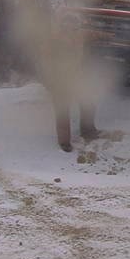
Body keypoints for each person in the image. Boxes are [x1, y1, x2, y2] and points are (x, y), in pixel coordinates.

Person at [40, 10, 105, 152]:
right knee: (63, 111)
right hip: (58, 79)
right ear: (62, 24)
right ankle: (64, 142)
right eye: (67, 23)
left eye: (74, 23)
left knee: (88, 102)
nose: (71, 26)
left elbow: (94, 34)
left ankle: (87, 130)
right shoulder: (54, 38)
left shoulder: (80, 34)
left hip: (75, 77)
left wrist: (110, 35)